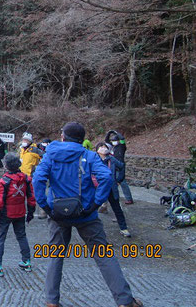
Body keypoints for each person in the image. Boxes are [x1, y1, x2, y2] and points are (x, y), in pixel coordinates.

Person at [33, 122, 143, 307]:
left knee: (55, 256)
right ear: (82, 139)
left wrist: (46, 206)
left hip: (58, 215)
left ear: (63, 137)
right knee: (104, 255)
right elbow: (107, 177)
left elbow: (38, 179)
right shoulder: (89, 155)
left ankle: (51, 301)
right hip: (86, 215)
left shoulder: (50, 155)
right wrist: (95, 204)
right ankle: (125, 301)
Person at [0, 153, 36, 277]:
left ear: (6, 166)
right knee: (21, 236)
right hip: (20, 212)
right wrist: (31, 211)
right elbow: (31, 196)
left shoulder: (4, 181)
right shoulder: (26, 178)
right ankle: (26, 261)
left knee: (0, 238)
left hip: (5, 213)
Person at [96, 143, 131, 237]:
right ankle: (91, 230)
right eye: (101, 147)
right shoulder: (94, 159)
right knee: (92, 208)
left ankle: (124, 228)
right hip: (98, 188)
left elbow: (122, 166)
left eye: (105, 147)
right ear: (97, 150)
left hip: (111, 187)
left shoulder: (111, 159)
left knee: (117, 208)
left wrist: (119, 179)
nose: (103, 148)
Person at [105, 130, 134, 205]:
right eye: (112, 141)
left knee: (122, 183)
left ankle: (129, 199)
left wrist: (116, 132)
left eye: (114, 140)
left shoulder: (122, 146)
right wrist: (109, 133)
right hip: (114, 166)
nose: (113, 142)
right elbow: (106, 141)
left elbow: (122, 139)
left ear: (118, 141)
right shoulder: (113, 147)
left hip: (120, 166)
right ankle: (113, 197)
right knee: (113, 182)